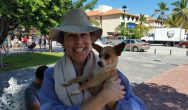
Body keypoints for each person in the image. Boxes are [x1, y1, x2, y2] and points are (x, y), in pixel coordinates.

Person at [39, 8, 146, 110]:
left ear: (90, 39)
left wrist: (113, 103)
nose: (79, 42)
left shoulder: (112, 73)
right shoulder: (51, 76)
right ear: (63, 42)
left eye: (83, 35)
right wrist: (104, 97)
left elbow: (140, 107)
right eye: (71, 35)